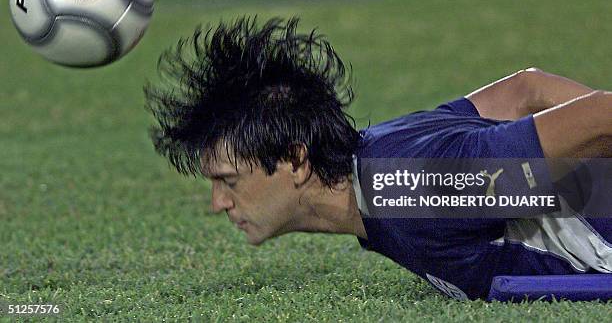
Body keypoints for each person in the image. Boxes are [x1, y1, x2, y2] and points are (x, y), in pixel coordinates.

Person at [144, 17, 612, 300]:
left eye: (228, 180)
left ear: (296, 159)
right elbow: (525, 89)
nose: (217, 203)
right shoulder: (378, 152)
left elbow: (602, 115)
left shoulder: (409, 191)